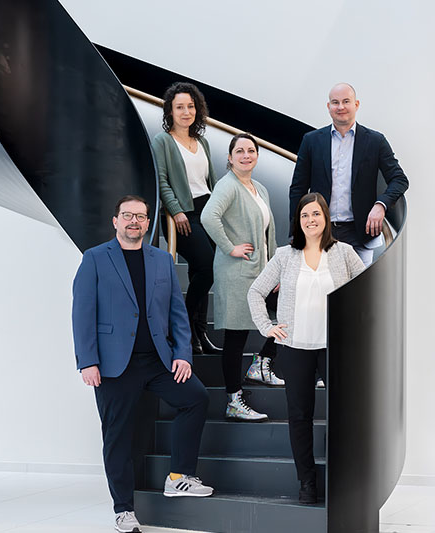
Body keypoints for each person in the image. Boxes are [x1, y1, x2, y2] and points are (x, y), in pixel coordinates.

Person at [72, 195, 213, 533]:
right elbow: (82, 313)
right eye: (127, 215)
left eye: (140, 216)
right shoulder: (94, 258)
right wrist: (87, 361)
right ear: (116, 221)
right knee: (117, 436)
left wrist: (182, 354)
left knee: (196, 398)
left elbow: (177, 312)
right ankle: (124, 510)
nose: (134, 221)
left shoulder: (162, 260)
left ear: (148, 223)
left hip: (158, 360)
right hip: (114, 365)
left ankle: (178, 476)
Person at [248, 192, 365, 504]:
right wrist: (267, 327)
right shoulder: (285, 255)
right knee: (299, 417)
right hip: (295, 347)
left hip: (334, 347)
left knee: (343, 415)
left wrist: (357, 328)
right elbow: (255, 291)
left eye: (316, 214)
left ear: (325, 217)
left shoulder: (343, 252)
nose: (310, 220)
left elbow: (367, 289)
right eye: (304, 215)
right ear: (298, 221)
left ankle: (342, 480)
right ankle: (307, 482)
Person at [201, 133, 282, 423]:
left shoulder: (260, 188)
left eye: (251, 150)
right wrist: (229, 247)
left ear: (257, 156)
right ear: (230, 157)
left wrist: (275, 269)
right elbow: (208, 216)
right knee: (236, 337)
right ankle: (234, 400)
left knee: (290, 311)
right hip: (236, 272)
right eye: (239, 151)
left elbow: (268, 233)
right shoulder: (228, 185)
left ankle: (262, 363)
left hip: (261, 272)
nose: (246, 155)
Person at [289, 83, 409, 266]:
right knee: (323, 284)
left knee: (359, 284)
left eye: (346, 101)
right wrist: (295, 232)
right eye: (335, 102)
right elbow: (298, 188)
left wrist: (381, 205)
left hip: (359, 234)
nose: (341, 107)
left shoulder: (375, 141)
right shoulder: (311, 141)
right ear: (328, 106)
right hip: (320, 232)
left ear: (356, 104)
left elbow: (399, 179)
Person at [151, 82, 221, 356]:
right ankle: (182, 326)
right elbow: (161, 180)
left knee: (201, 272)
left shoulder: (202, 142)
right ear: (170, 111)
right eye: (179, 107)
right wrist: (176, 210)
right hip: (182, 214)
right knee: (207, 267)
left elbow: (209, 182)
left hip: (208, 211)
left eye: (190, 106)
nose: (186, 112)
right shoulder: (163, 141)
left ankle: (199, 335)